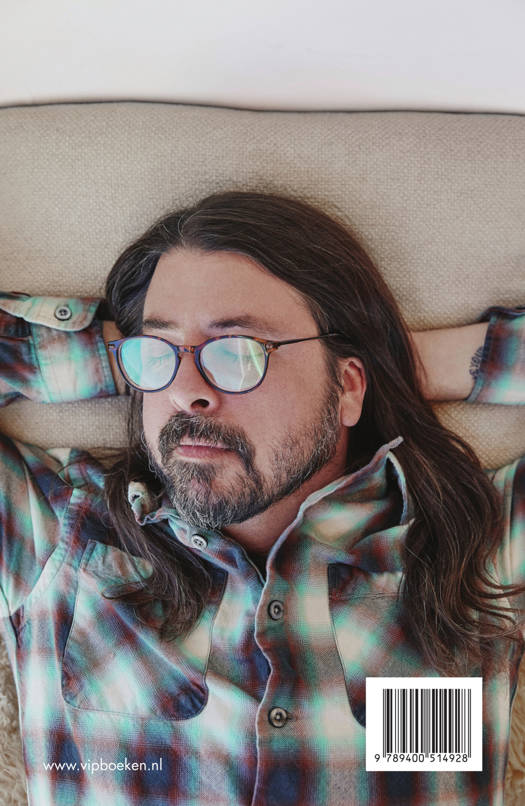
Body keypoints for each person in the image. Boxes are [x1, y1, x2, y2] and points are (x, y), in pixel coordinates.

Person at [0, 189, 523, 806]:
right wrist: (122, 358)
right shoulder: (57, 533)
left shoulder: (480, 541)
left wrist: (400, 364)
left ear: (348, 387)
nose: (185, 393)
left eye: (238, 351)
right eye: (155, 352)